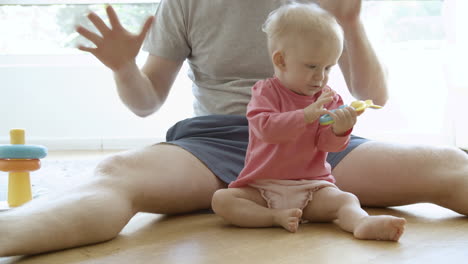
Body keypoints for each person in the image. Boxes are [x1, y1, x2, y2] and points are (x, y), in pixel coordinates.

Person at [0, 0, 466, 257]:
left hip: (316, 137)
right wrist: (124, 67)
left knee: (445, 163)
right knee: (116, 173)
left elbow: (373, 96)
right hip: (213, 140)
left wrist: (349, 21)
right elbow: (146, 103)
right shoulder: (185, 3)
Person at [211, 3, 406, 241]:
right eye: (312, 66)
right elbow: (266, 129)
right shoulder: (265, 91)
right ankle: (273, 217)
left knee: (346, 200)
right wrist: (307, 114)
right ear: (281, 60)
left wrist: (340, 129)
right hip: (262, 186)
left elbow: (328, 146)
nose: (320, 76)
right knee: (222, 200)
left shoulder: (330, 98)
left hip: (312, 187)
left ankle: (361, 222)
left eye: (327, 67)